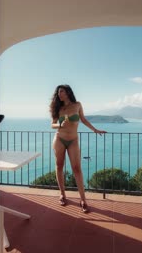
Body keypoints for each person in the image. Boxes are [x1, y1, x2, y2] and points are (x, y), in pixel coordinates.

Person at [49, 84, 107, 213]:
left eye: (62, 91)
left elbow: (84, 120)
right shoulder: (58, 108)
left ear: (68, 92)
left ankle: (83, 199)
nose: (59, 94)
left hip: (73, 140)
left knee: (76, 168)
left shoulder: (77, 105)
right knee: (59, 166)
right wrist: (59, 124)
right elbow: (52, 124)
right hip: (59, 139)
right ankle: (62, 194)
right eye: (58, 92)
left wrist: (95, 130)